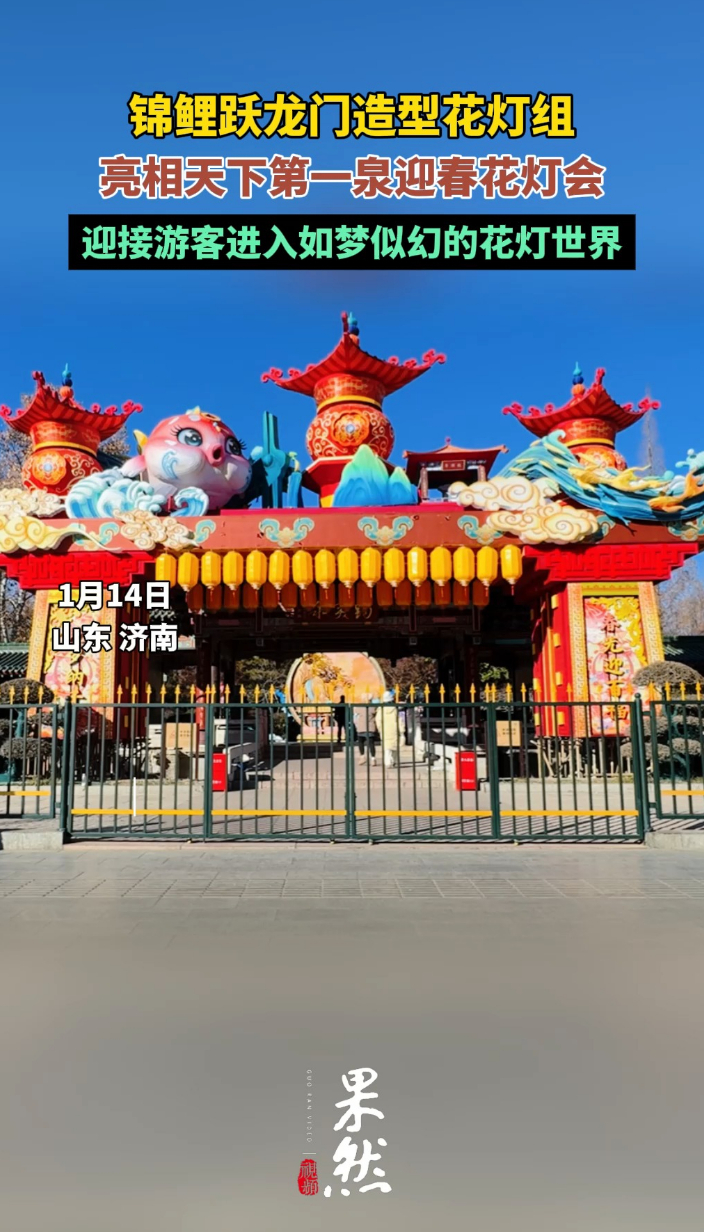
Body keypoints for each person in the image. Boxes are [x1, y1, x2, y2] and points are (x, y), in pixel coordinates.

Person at [375, 690, 401, 769]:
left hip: (385, 729)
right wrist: (401, 730)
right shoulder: (394, 709)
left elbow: (378, 720)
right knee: (394, 747)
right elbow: (399, 720)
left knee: (387, 748)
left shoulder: (381, 709)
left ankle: (388, 762)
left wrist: (380, 729)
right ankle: (394, 761)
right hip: (394, 729)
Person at [353, 701, 378, 765]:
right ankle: (373, 759)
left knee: (360, 742)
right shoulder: (373, 707)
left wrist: (356, 725)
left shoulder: (358, 707)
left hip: (361, 727)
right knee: (371, 744)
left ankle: (362, 757)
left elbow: (355, 717)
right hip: (370, 727)